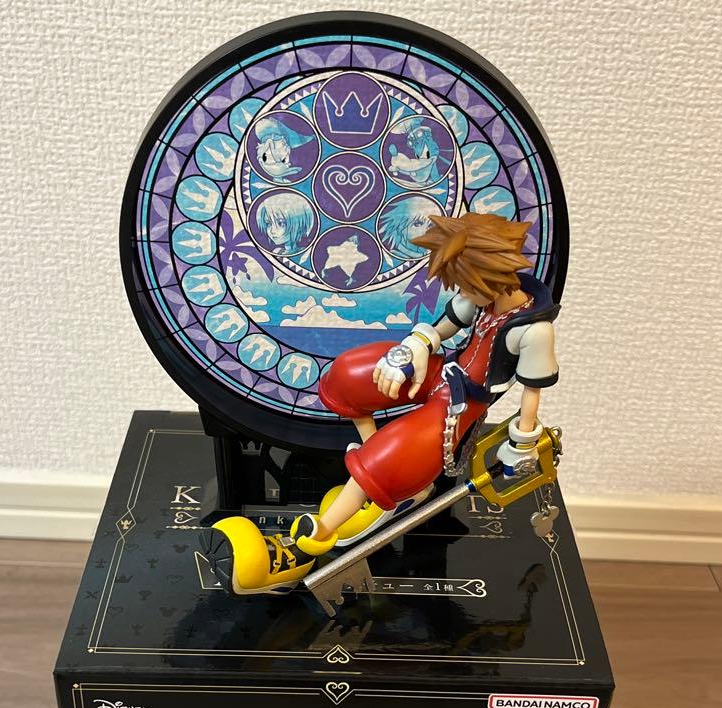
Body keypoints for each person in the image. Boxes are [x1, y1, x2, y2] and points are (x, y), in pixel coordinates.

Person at [211, 212, 560, 595]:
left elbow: (531, 394)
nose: (460, 292)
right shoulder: (483, 297)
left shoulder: (533, 330)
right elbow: (444, 328)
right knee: (352, 374)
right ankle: (386, 485)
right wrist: (418, 345)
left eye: (463, 285)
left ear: (488, 275)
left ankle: (303, 548)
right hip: (442, 372)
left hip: (460, 407)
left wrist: (521, 445)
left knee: (386, 455)